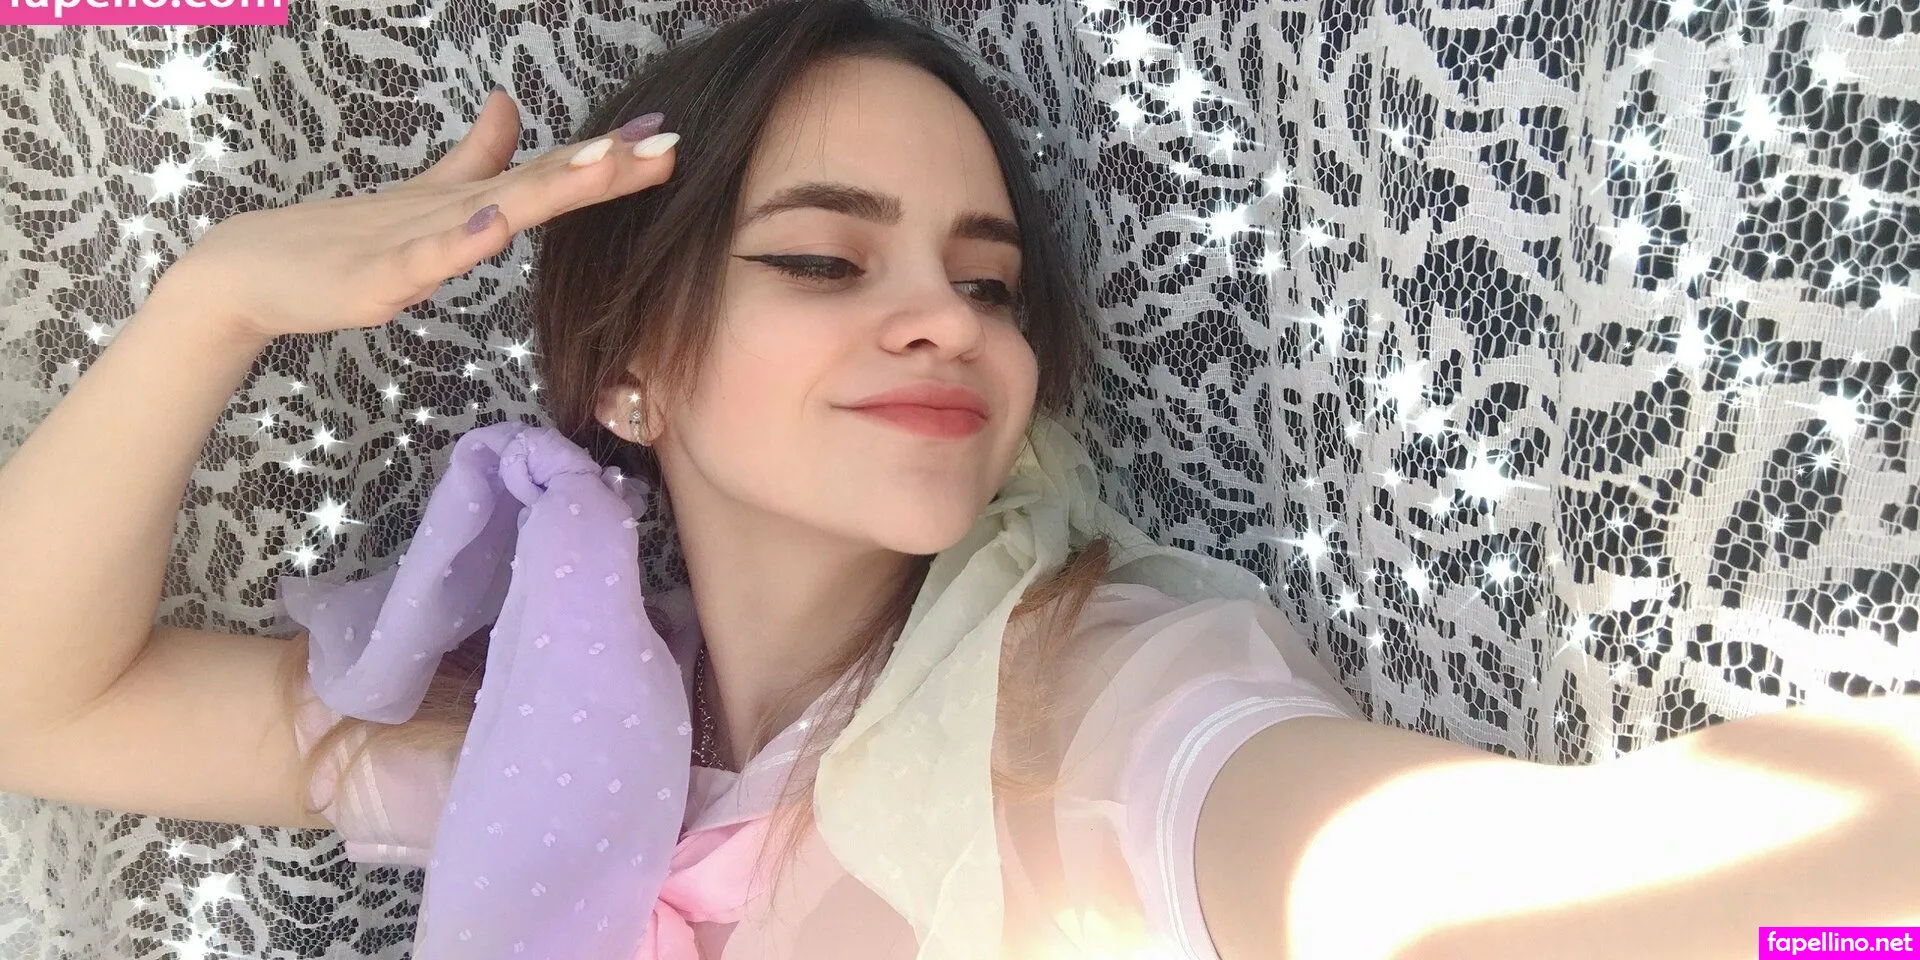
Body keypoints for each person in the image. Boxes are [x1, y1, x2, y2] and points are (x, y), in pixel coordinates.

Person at [0, 1, 1915, 958]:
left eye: (988, 284)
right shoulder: (532, 724)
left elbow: (1470, 887)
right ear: (630, 373)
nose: (944, 321)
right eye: (825, 259)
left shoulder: (1080, 709)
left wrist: (1838, 913)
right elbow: (42, 707)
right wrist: (211, 300)